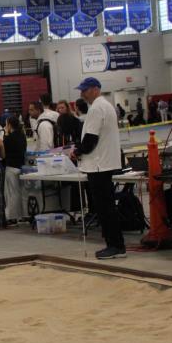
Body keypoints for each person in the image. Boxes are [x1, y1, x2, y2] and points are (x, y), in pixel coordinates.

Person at [71, 77, 125, 260]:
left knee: (105, 209)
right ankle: (116, 244)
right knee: (107, 207)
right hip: (104, 163)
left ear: (95, 89)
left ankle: (115, 246)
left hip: (99, 165)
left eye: (84, 90)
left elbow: (90, 140)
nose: (82, 94)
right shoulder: (107, 106)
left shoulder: (96, 108)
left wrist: (77, 151)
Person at [2, 116, 27, 224]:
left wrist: (5, 134)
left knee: (11, 194)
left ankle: (12, 217)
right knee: (22, 192)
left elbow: (3, 154)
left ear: (9, 125)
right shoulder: (22, 136)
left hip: (11, 167)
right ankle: (23, 215)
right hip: (21, 166)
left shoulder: (8, 138)